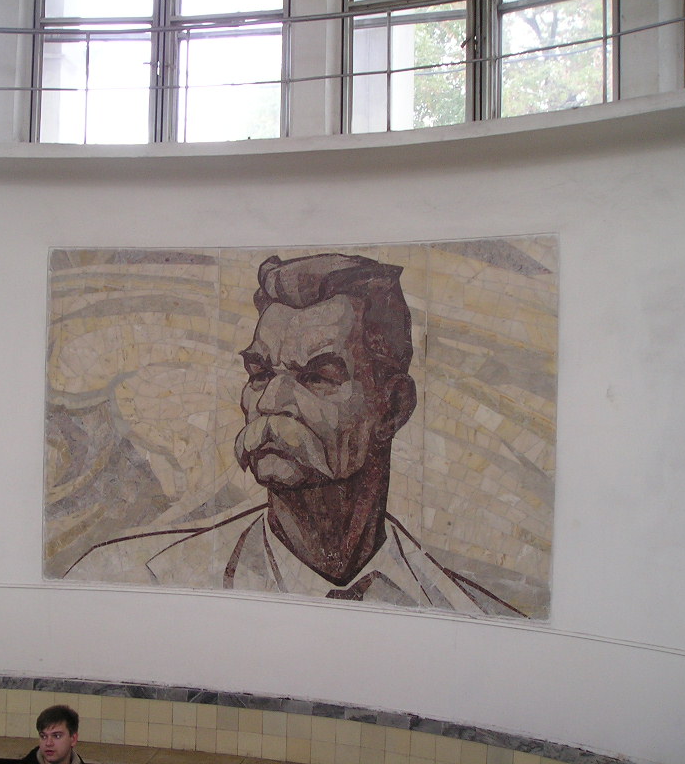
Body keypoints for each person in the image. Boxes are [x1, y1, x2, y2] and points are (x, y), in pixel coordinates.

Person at [65, 254, 525, 617]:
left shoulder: (468, 616)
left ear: (393, 408)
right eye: (261, 373)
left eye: (317, 377)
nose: (270, 402)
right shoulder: (134, 581)